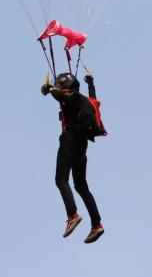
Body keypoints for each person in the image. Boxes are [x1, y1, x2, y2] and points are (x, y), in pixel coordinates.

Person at [41, 68, 105, 243]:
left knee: (61, 179)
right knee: (81, 186)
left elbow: (63, 96)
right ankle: (97, 224)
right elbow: (94, 99)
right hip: (82, 147)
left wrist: (49, 89)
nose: (58, 87)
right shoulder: (86, 101)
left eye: (59, 84)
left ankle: (72, 215)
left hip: (70, 141)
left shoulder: (72, 97)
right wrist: (91, 83)